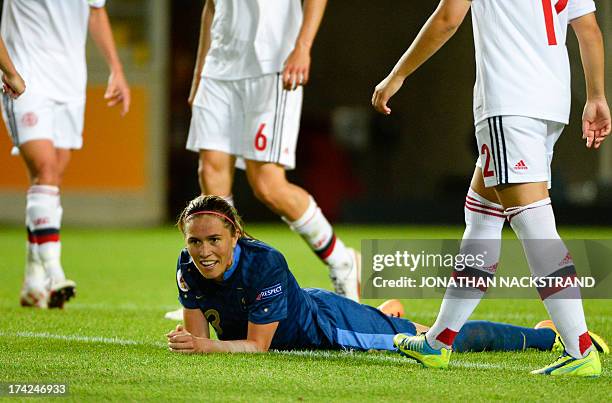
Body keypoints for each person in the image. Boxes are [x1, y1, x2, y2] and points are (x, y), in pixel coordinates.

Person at [371, 0, 610, 376]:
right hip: (550, 104)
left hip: (509, 103)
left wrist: (397, 75)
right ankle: (438, 342)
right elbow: (589, 31)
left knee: (534, 226)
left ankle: (580, 349)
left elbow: (448, 18)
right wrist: (596, 96)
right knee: (481, 216)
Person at [165, 195, 610, 355]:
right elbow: (195, 334)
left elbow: (258, 347)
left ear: (236, 235)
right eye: (194, 242)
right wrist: (197, 342)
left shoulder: (265, 263)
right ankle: (384, 312)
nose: (204, 251)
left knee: (434, 339)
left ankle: (544, 336)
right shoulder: (189, 267)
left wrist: (205, 346)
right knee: (393, 323)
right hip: (311, 307)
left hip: (328, 328)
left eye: (214, 241)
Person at [181, 0, 359, 303]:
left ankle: (342, 260)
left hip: (273, 65)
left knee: (268, 185)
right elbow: (211, 7)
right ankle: (225, 284)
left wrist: (303, 46)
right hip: (219, 67)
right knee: (209, 168)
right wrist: (200, 72)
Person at [1, 0, 131, 309]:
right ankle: (53, 273)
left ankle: (33, 278)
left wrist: (117, 68)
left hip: (70, 83)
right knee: (45, 169)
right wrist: (8, 70)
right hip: (24, 77)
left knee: (51, 178)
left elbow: (96, 11)